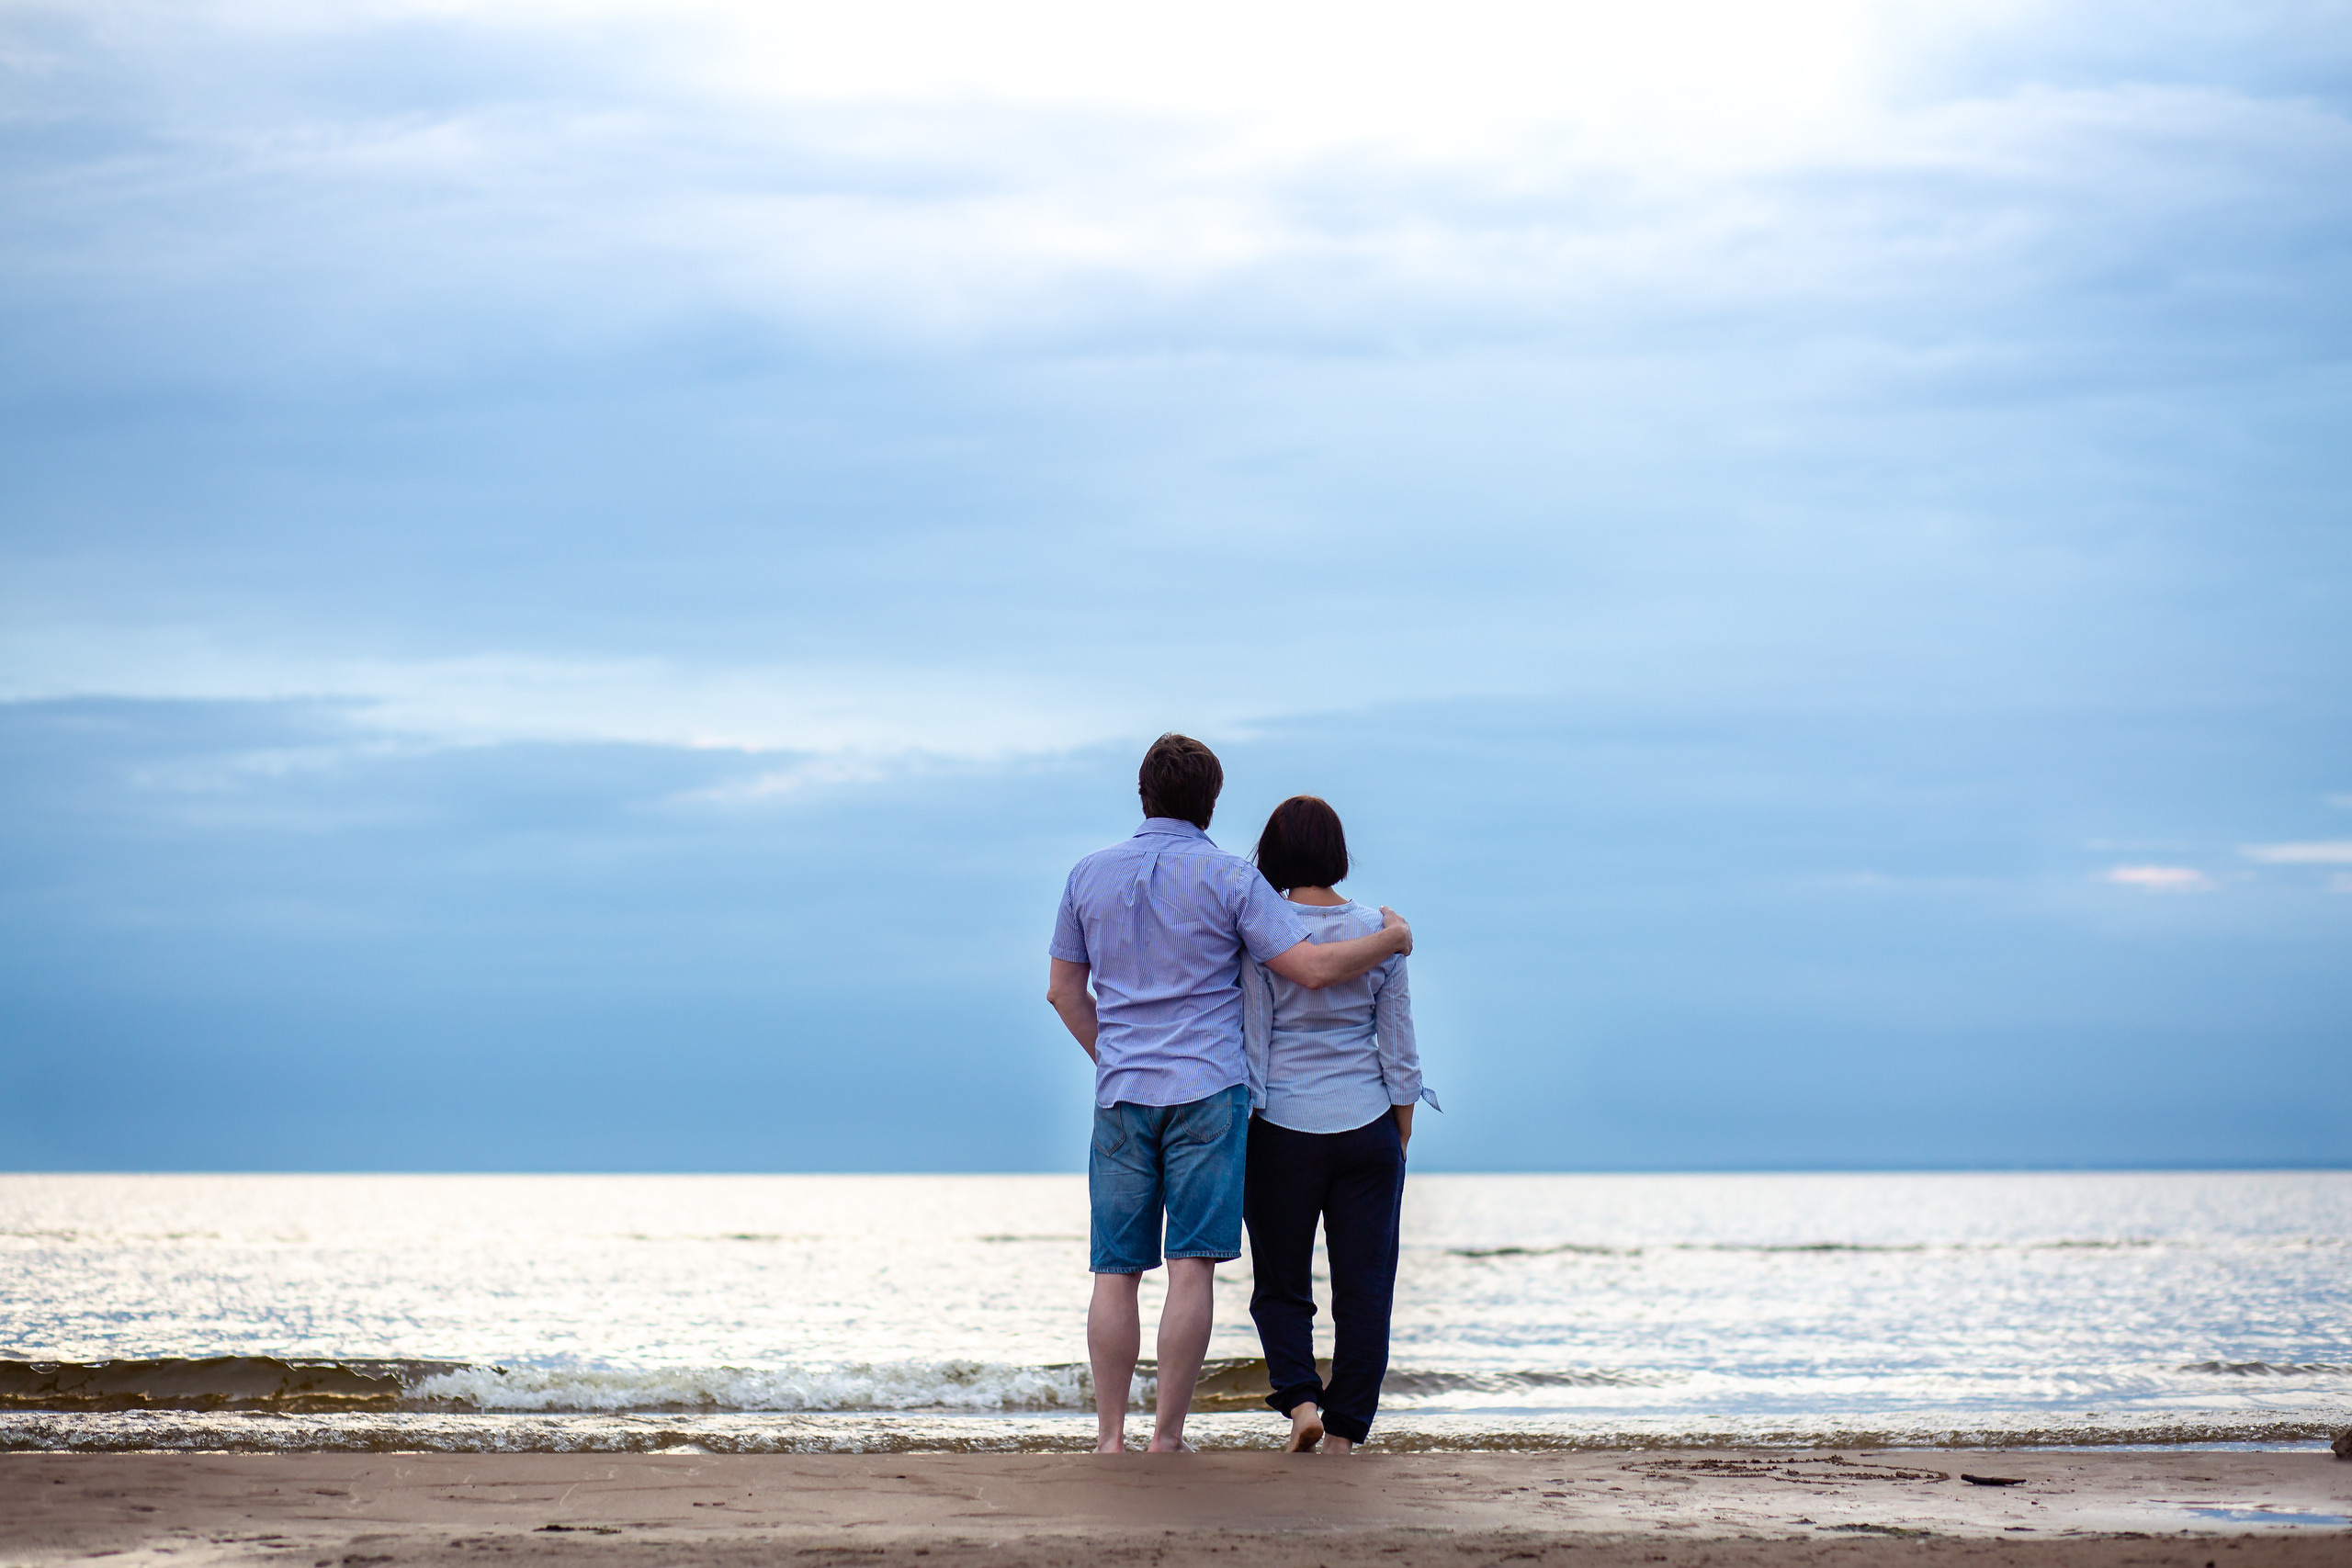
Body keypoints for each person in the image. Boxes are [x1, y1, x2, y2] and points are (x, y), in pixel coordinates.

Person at [1047, 736, 1415, 1454]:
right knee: (1192, 1268)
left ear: (1143, 793)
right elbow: (1309, 967)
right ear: (1211, 801)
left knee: (1115, 1271)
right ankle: (1167, 1437)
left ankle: (1110, 1438)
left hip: (1124, 1092)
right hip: (1210, 1093)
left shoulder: (1084, 875)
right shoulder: (1230, 880)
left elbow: (1063, 990)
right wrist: (1394, 936)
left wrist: (1116, 1057)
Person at [1239, 794, 1438, 1455]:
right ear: (1337, 853)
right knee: (1365, 1290)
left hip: (1281, 1126)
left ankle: (1301, 1402)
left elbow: (1255, 1038)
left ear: (1271, 852)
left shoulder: (1262, 929)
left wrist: (1256, 1116)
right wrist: (1399, 1131)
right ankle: (1346, 1433)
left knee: (1280, 1284)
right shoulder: (1380, 928)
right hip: (1367, 1124)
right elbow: (1398, 1046)